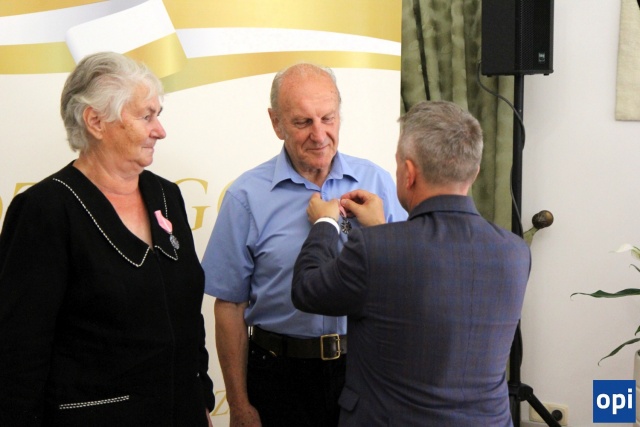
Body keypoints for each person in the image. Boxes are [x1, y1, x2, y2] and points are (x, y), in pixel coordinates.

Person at [0, 52, 215, 426]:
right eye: (146, 116)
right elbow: (19, 348)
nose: (160, 130)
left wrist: (202, 400)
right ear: (96, 121)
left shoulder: (166, 196)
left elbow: (188, 317)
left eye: (158, 114)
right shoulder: (45, 209)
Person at [292, 100, 531, 426]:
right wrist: (380, 231)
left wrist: (325, 224)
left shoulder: (375, 250)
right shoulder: (516, 252)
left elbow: (306, 290)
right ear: (474, 172)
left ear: (409, 172)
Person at [201, 63, 407, 427]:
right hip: (279, 375)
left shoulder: (377, 182)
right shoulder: (246, 196)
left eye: (328, 118)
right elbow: (230, 305)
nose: (319, 134)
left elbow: (406, 284)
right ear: (276, 123)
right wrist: (239, 404)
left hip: (362, 371)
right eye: (302, 122)